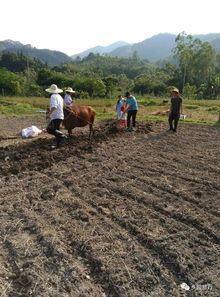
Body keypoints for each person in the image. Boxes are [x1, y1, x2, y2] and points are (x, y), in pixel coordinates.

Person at [45, 84, 67, 148]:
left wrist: (48, 114)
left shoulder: (53, 96)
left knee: (49, 129)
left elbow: (54, 107)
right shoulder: (59, 96)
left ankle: (63, 136)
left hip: (56, 116)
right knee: (56, 130)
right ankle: (58, 144)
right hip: (60, 115)